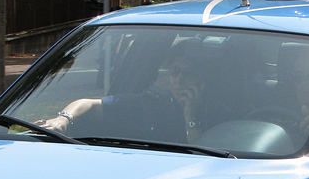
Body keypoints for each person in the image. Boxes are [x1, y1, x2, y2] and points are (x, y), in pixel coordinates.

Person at [41, 39, 207, 143]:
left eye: (188, 74)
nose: (179, 80)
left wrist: (190, 115)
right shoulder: (153, 103)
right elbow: (88, 104)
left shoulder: (221, 111)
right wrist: (62, 120)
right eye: (174, 71)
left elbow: (203, 156)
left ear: (203, 79)